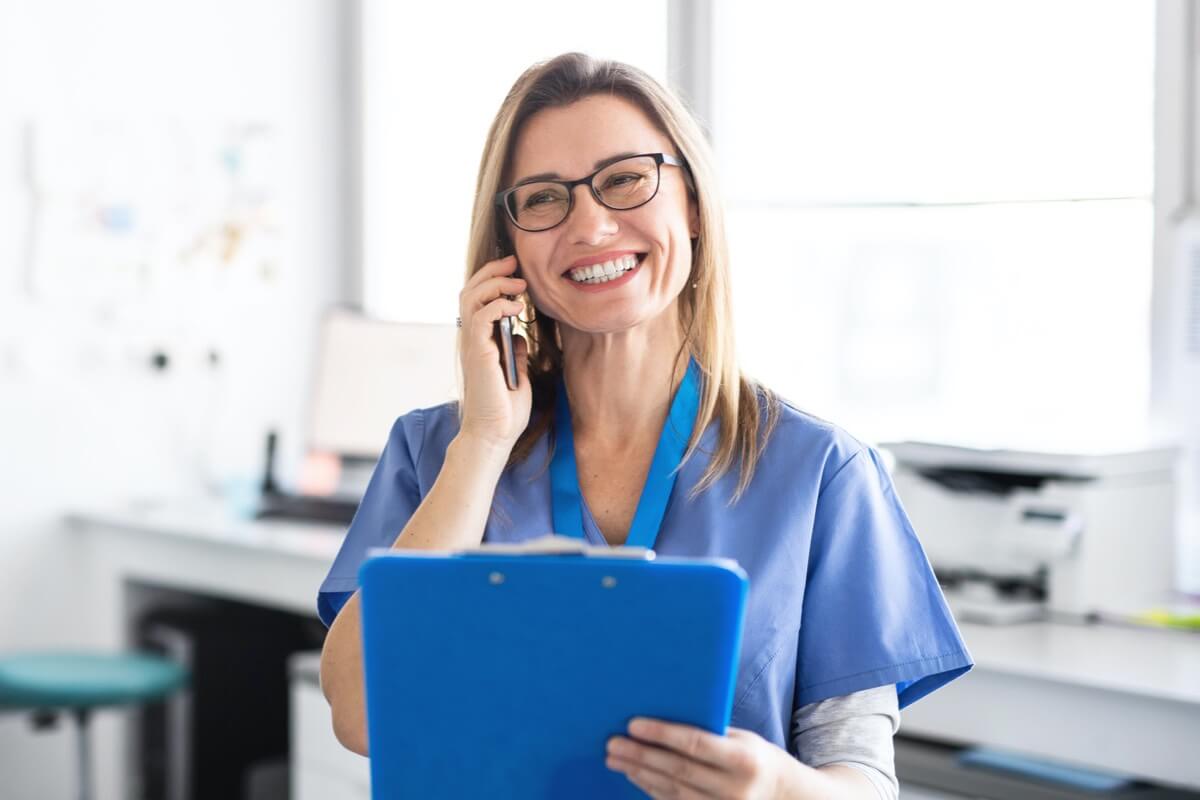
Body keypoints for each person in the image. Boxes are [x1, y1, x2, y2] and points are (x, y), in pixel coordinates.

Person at [317, 52, 972, 799]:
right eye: (542, 199)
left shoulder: (820, 472)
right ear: (510, 250)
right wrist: (486, 443)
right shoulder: (436, 452)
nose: (591, 225)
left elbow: (863, 783)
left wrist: (775, 788)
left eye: (625, 180)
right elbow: (361, 717)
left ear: (691, 204)